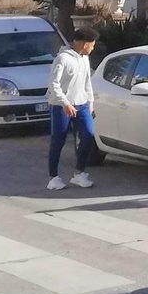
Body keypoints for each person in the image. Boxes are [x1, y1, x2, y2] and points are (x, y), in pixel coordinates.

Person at [47, 27, 99, 191]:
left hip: (82, 104)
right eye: (92, 45)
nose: (93, 48)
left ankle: (79, 173)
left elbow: (87, 82)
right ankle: (53, 177)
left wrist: (90, 102)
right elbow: (53, 84)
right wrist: (65, 103)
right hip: (61, 107)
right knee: (58, 140)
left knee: (88, 135)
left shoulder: (84, 59)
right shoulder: (62, 58)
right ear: (85, 44)